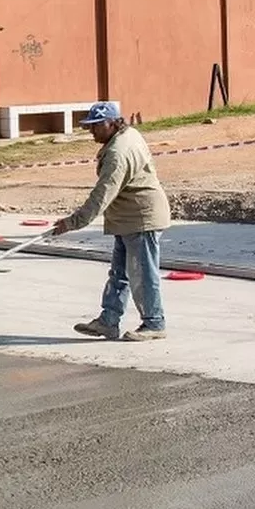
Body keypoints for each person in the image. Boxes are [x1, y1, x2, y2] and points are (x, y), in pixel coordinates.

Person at [52, 101, 171, 342]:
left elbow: (102, 195)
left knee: (142, 274)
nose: (91, 131)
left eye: (96, 125)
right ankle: (109, 321)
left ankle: (154, 323)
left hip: (141, 219)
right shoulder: (127, 135)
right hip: (126, 219)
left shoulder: (118, 153)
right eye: (90, 126)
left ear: (112, 123)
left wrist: (72, 222)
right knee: (119, 273)